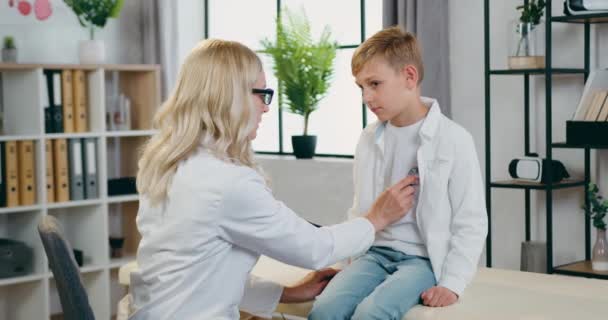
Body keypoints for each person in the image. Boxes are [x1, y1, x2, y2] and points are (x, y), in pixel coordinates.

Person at [126, 38, 418, 320]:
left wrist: (288, 293)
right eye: (261, 94)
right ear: (230, 96)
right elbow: (316, 249)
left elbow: (198, 273)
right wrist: (376, 218)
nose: (266, 107)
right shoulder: (228, 182)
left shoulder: (167, 165)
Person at [308, 26, 488, 320]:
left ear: (409, 77)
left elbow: (471, 221)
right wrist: (345, 266)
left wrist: (452, 284)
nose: (366, 96)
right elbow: (361, 211)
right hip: (374, 255)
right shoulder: (369, 139)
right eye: (361, 87)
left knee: (371, 313)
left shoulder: (454, 139)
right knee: (324, 311)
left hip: (423, 261)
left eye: (374, 84)